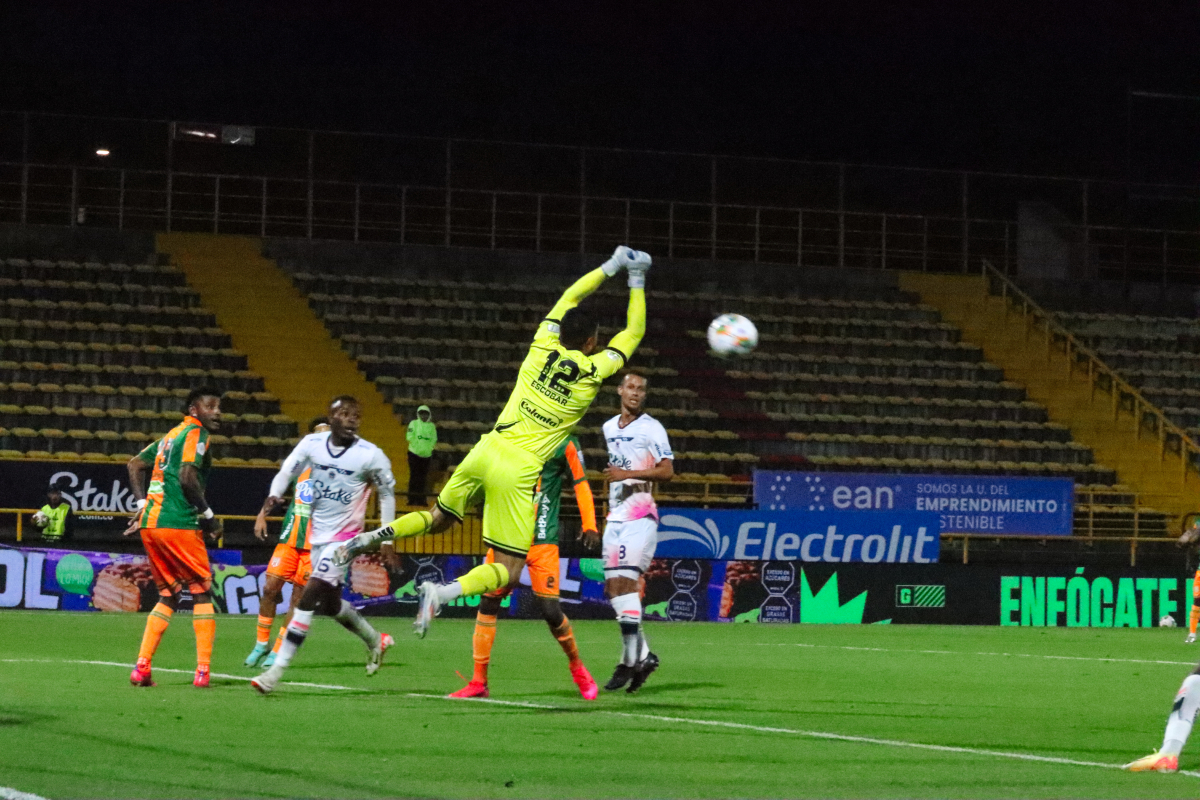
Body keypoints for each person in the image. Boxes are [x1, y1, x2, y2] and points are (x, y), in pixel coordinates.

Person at [332, 245, 652, 645]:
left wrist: (613, 266)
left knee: (436, 518)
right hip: (517, 470)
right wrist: (637, 278)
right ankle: (443, 592)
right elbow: (634, 332)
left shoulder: (541, 345)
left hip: (486, 448)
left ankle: (368, 538)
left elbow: (570, 297)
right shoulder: (592, 370)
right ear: (591, 343)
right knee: (510, 570)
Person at [251, 396, 397, 695]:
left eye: (356, 414)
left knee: (307, 597)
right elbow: (287, 471)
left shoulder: (371, 455)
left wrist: (387, 537)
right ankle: (375, 640)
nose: (351, 419)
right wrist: (274, 495)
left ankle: (275, 672)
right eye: (344, 413)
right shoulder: (312, 445)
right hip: (317, 538)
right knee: (329, 605)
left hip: (345, 541)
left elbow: (387, 495)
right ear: (331, 417)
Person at [451, 434, 601, 699]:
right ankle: (478, 682)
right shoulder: (511, 436)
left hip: (543, 540)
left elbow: (580, 483)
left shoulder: (565, 442)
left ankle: (577, 667)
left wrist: (589, 523)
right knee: (488, 603)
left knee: (551, 611)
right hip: (508, 539)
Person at [125, 387, 223, 689]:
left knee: (168, 595)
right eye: (210, 406)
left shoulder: (170, 437)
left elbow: (134, 464)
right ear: (194, 410)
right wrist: (209, 517)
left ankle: (142, 668)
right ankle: (203, 671)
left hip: (152, 526)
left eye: (218, 407)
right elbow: (186, 476)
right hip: (179, 522)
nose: (217, 412)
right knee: (201, 592)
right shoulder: (196, 434)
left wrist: (143, 506)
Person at [594, 369, 674, 693]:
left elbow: (667, 470)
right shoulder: (608, 427)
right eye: (631, 387)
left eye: (641, 389)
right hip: (616, 518)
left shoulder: (652, 428)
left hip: (640, 516)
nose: (636, 393)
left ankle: (629, 660)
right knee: (612, 590)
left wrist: (627, 473)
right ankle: (643, 656)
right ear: (619, 390)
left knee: (626, 585)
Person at [244, 417, 330, 668]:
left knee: (297, 600)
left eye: (327, 433)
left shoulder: (339, 471)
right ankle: (261, 643)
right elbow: (277, 492)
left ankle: (278, 649)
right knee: (270, 588)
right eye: (318, 433)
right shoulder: (299, 465)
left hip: (315, 547)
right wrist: (262, 514)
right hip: (290, 539)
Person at [406, 404, 437, 506]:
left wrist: (428, 448)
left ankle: (421, 500)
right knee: (414, 476)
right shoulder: (413, 424)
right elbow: (409, 437)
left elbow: (434, 439)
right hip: (413, 454)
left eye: (426, 414)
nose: (424, 416)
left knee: (423, 478)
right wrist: (418, 447)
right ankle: (411, 499)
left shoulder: (432, 426)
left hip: (427, 456)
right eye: (421, 414)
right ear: (418, 414)